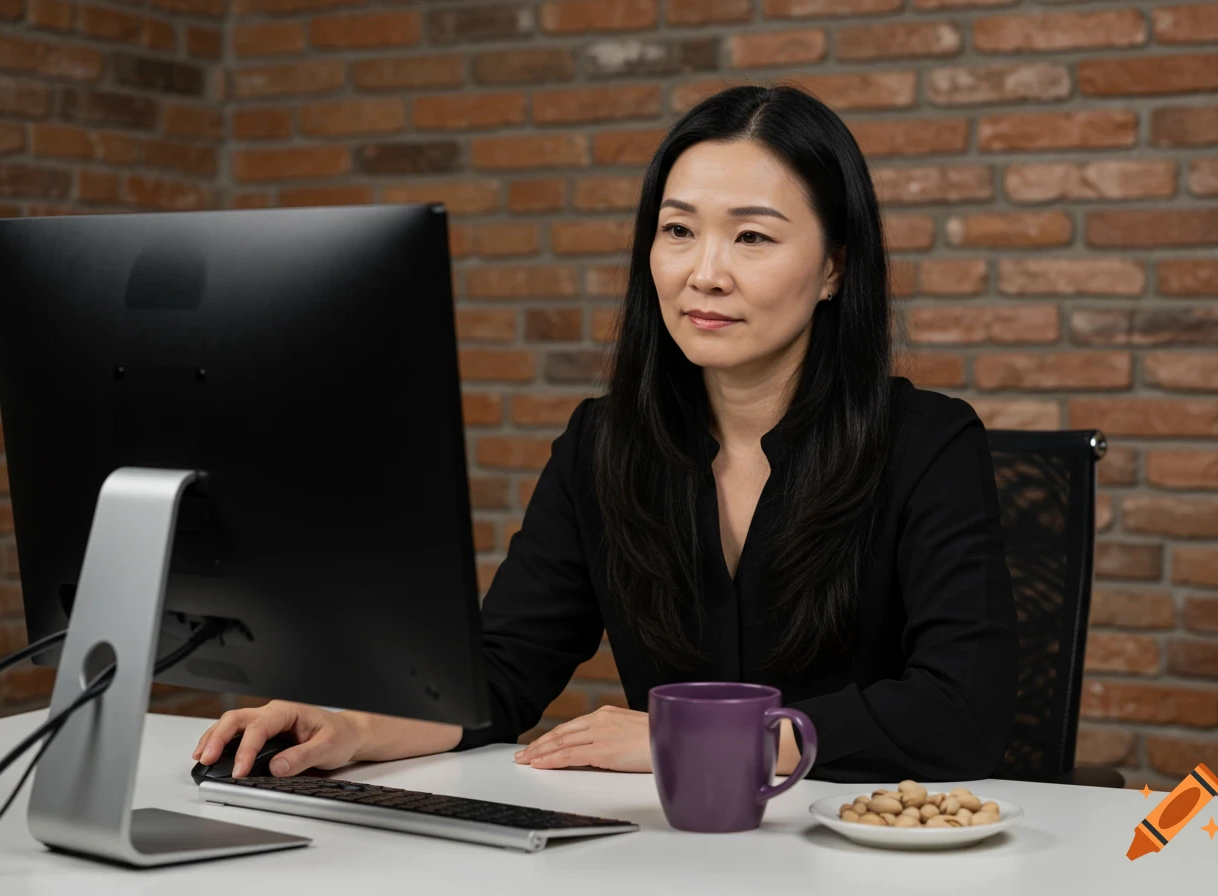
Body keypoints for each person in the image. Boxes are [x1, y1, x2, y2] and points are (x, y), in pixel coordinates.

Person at [192, 84, 1018, 785]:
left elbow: (962, 712)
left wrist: (696, 745)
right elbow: (506, 672)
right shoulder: (604, 444)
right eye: (678, 229)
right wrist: (353, 724)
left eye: (753, 236)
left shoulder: (928, 444)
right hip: (662, 853)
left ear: (835, 266)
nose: (705, 272)